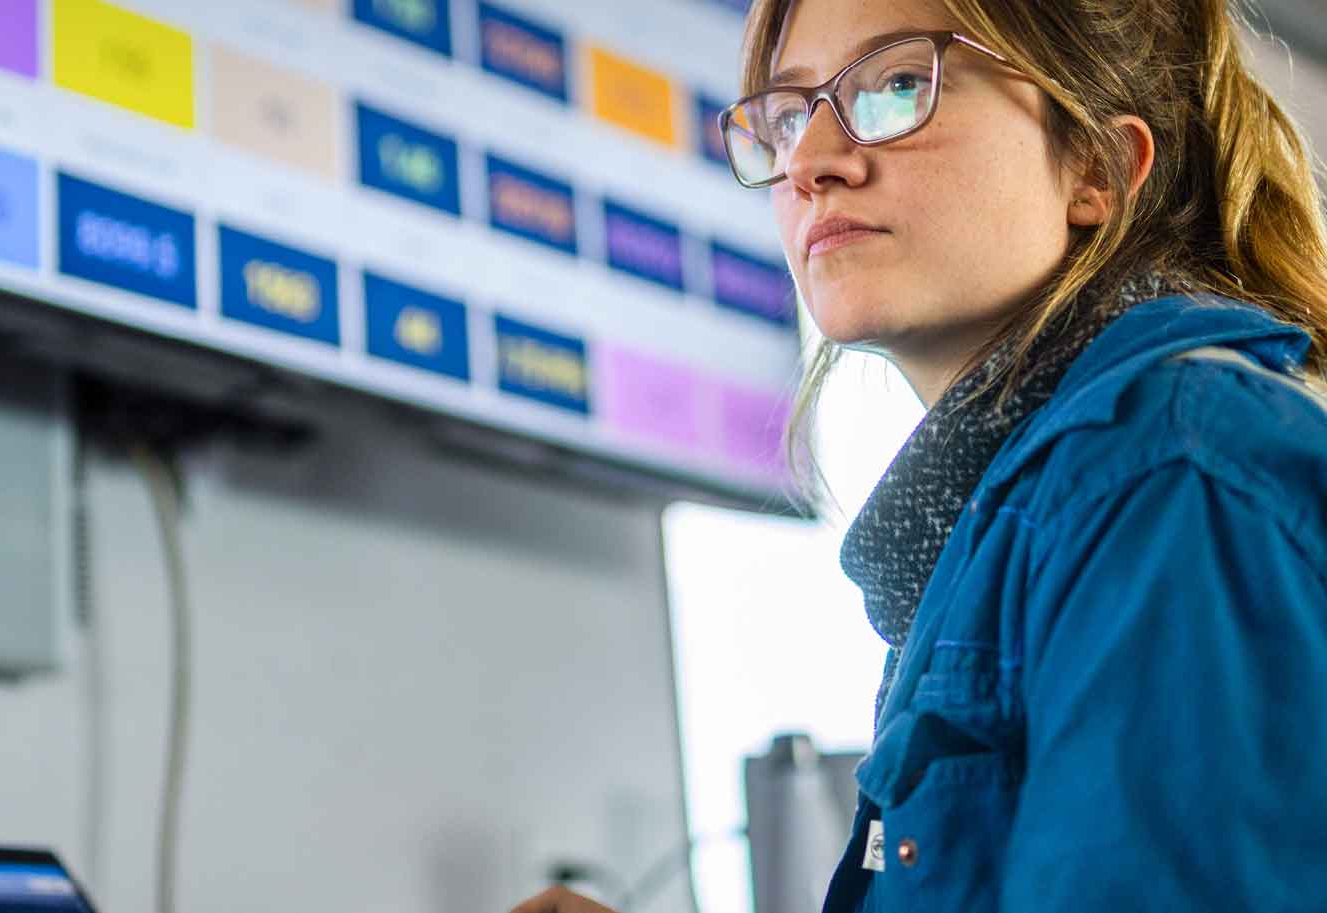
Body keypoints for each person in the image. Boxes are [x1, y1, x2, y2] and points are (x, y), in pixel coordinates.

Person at [511, 0, 1327, 910]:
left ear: (1095, 166)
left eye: (897, 85)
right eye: (787, 117)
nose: (812, 163)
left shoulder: (1168, 469)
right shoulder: (1026, 512)